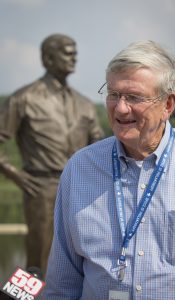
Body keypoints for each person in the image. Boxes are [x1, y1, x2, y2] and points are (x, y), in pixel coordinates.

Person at [43, 40, 175, 300]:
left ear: (168, 105)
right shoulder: (80, 168)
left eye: (134, 97)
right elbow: (63, 284)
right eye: (114, 94)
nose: (120, 108)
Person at [0, 33, 103, 275]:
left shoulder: (85, 104)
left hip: (82, 187)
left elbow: (100, 146)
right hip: (42, 188)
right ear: (47, 58)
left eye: (75, 51)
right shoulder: (23, 98)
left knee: (85, 253)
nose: (74, 56)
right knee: (39, 259)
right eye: (68, 51)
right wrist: (16, 175)